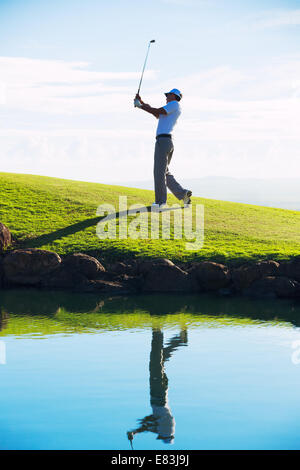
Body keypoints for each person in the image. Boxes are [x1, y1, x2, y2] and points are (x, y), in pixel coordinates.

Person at [134, 89, 192, 208]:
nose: (166, 97)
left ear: (173, 96)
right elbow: (155, 113)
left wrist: (140, 106)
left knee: (159, 172)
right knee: (164, 172)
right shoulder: (170, 108)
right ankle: (183, 194)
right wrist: (141, 103)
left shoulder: (174, 104)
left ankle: (161, 203)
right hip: (167, 141)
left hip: (163, 141)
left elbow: (157, 110)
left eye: (167, 95)